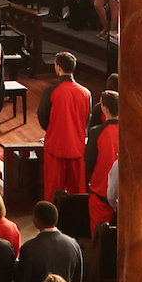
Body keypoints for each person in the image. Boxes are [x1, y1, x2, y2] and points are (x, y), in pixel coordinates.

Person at [40, 56, 91, 209]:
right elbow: (86, 119)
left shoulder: (51, 91)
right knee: (77, 193)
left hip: (55, 148)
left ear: (58, 67)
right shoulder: (86, 93)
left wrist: (54, 130)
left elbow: (43, 116)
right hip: (77, 148)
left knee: (52, 193)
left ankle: (51, 224)